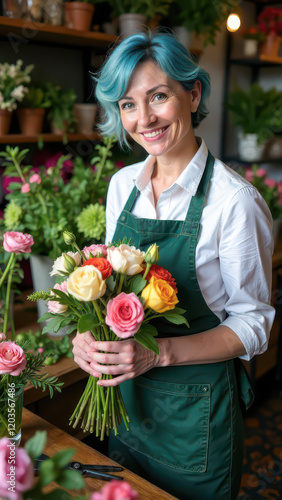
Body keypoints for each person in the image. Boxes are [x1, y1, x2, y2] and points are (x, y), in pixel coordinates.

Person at [72, 31, 275, 500]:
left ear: (194, 93)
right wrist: (88, 338)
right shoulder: (122, 187)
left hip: (196, 420)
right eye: (127, 104)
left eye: (158, 96)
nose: (144, 119)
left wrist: (159, 353)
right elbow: (108, 289)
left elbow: (255, 325)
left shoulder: (235, 203)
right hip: (125, 404)